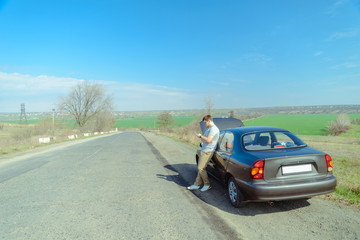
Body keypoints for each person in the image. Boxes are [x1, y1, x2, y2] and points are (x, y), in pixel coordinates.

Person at [187, 115, 220, 192]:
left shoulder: (213, 129)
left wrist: (200, 136)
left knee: (201, 168)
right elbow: (208, 140)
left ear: (209, 121)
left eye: (205, 122)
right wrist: (203, 139)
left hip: (208, 151)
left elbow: (209, 140)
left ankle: (207, 184)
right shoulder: (209, 129)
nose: (205, 124)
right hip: (204, 149)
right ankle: (196, 184)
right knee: (201, 167)